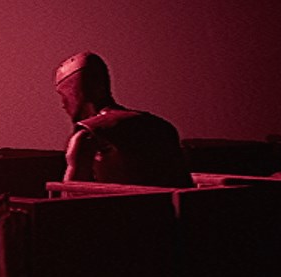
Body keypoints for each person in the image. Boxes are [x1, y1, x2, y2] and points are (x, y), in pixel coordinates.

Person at [55, 53, 191, 188]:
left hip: (119, 202)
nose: (63, 104)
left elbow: (70, 194)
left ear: (76, 91)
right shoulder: (162, 127)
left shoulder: (87, 135)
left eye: (63, 95)